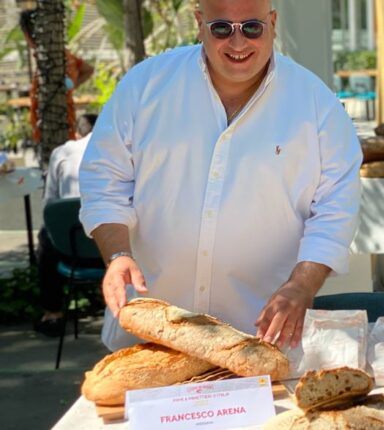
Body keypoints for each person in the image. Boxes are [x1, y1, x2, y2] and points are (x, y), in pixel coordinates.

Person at [79, 0, 362, 351]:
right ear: (200, 23)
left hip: (259, 337)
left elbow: (336, 209)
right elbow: (103, 180)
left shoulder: (317, 105)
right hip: (149, 337)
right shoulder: (144, 86)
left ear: (272, 23)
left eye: (252, 28)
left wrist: (301, 285)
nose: (238, 43)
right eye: (222, 28)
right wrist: (118, 254)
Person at [34, 114, 100, 336]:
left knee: (45, 237)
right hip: (113, 251)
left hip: (70, 250)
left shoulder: (61, 153)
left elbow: (49, 203)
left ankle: (52, 313)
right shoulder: (123, 150)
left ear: (77, 133)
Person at [20, 9, 94, 143]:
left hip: (58, 127)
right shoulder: (53, 57)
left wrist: (70, 86)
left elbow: (87, 70)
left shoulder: (57, 59)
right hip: (50, 127)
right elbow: (86, 70)